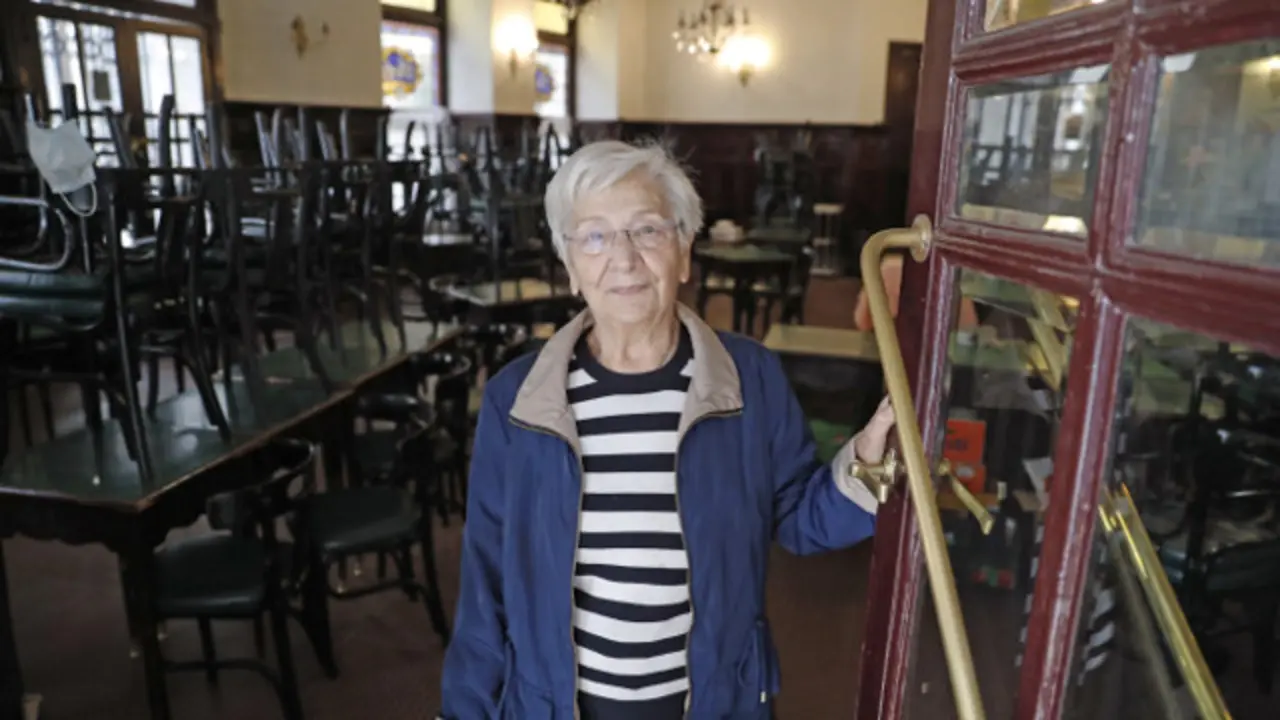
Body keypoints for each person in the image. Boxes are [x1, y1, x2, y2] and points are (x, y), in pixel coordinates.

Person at [439, 140, 897, 719]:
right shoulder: (518, 398)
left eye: (647, 230)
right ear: (570, 265)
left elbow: (799, 517)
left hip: (711, 702)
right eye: (595, 236)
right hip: (554, 704)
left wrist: (865, 461)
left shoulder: (748, 377)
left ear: (684, 251)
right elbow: (486, 577)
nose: (624, 258)